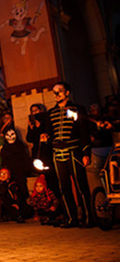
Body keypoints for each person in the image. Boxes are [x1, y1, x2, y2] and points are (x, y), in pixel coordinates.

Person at [43, 82, 92, 228]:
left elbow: (84, 132)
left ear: (67, 93)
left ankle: (89, 217)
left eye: (60, 91)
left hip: (74, 151)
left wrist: (86, 152)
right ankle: (71, 218)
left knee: (80, 185)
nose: (56, 94)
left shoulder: (76, 109)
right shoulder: (51, 113)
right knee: (64, 187)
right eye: (54, 92)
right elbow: (49, 133)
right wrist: (46, 137)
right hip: (57, 153)